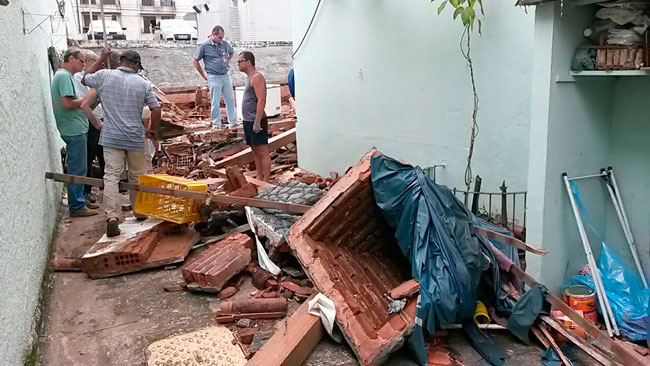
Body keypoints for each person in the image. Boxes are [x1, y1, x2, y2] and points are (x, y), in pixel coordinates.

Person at [83, 49, 161, 237]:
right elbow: (156, 109)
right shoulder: (143, 83)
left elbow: (85, 77)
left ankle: (112, 216)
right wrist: (153, 129)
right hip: (134, 137)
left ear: (121, 61)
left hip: (111, 137)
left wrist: (101, 58)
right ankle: (139, 211)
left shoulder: (104, 76)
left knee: (111, 176)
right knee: (137, 176)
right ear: (135, 65)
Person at [51, 47, 102, 217]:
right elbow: (67, 103)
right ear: (71, 58)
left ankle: (80, 199)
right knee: (77, 168)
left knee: (80, 166)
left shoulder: (67, 77)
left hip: (76, 127)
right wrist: (88, 99)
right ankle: (77, 206)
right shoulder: (64, 76)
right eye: (81, 61)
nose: (83, 65)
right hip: (73, 129)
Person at [73, 50, 104, 205]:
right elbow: (86, 104)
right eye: (95, 62)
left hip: (100, 120)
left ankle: (110, 188)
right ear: (88, 62)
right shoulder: (79, 78)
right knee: (89, 156)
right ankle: (86, 192)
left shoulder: (95, 77)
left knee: (104, 155)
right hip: (91, 122)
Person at [192, 25, 237, 129]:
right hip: (213, 76)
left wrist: (227, 60)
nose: (221, 39)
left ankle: (233, 122)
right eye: (220, 37)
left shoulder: (224, 44)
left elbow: (231, 51)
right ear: (213, 35)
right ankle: (216, 124)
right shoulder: (204, 46)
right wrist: (203, 74)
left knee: (230, 99)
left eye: (222, 37)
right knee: (215, 101)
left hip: (225, 75)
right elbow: (195, 60)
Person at [237, 51, 271, 182]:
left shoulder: (257, 77)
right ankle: (259, 177)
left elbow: (261, 100)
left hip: (256, 120)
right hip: (248, 120)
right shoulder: (249, 78)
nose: (238, 64)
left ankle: (266, 180)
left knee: (262, 151)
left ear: (248, 62)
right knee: (255, 151)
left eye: (240, 61)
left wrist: (257, 122)